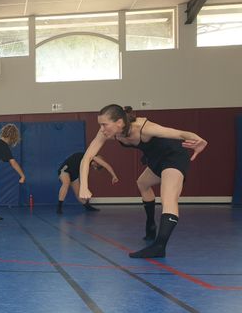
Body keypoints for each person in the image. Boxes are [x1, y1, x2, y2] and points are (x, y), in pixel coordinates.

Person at [79, 104, 207, 258]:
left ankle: (159, 246)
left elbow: (178, 134)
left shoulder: (144, 128)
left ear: (119, 122)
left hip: (173, 157)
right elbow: (87, 157)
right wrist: (84, 187)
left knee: (168, 198)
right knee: (143, 183)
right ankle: (151, 224)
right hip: (155, 160)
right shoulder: (106, 132)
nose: (102, 128)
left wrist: (199, 140)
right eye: (100, 124)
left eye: (104, 124)